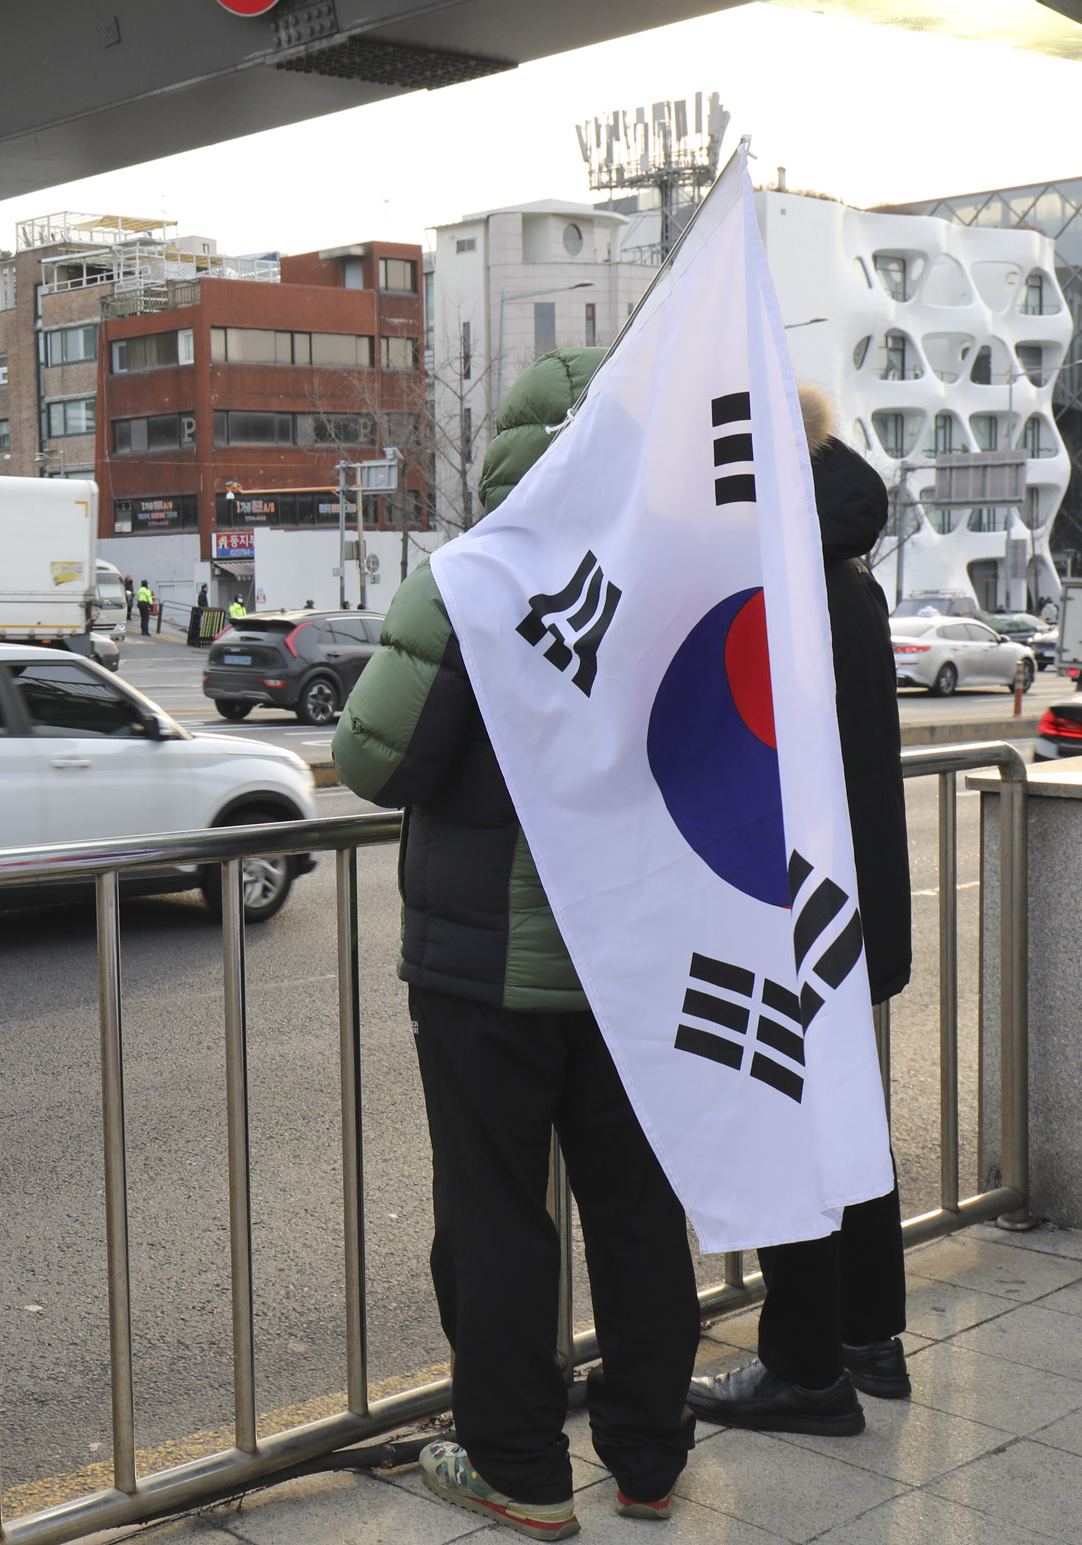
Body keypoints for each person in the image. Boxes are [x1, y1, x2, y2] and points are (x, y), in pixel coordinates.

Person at [334, 347, 698, 1539]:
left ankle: (518, 1469)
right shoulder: (679, 582)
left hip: (485, 965)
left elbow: (374, 761)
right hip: (635, 958)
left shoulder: (472, 580)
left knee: (493, 1212)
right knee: (638, 1211)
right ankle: (647, 1460)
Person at [686, 385, 913, 1437]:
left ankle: (802, 1366)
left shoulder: (776, 582)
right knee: (844, 1114)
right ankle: (867, 1333)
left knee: (792, 1119)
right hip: (849, 899)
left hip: (785, 903)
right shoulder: (843, 574)